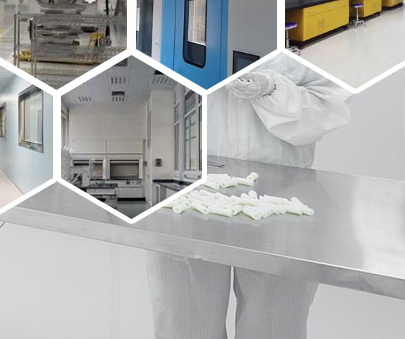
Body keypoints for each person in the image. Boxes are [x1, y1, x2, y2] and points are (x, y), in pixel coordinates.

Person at [147, 53, 351, 339]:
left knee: (275, 328)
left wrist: (272, 89)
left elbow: (330, 105)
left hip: (281, 203)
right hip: (185, 195)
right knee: (184, 327)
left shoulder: (303, 40)